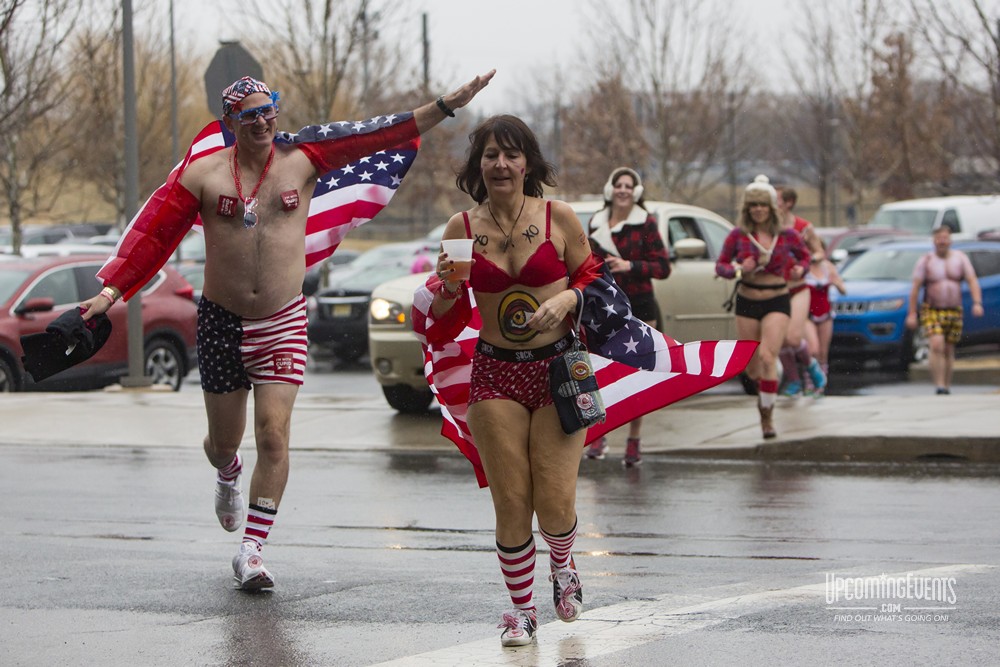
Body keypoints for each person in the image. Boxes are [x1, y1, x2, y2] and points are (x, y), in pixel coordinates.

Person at [78, 70, 495, 591]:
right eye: (250, 114)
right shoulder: (203, 175)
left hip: (282, 318)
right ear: (231, 121)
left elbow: (377, 134)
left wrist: (444, 106)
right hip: (222, 323)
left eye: (268, 110)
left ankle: (252, 550)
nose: (263, 121)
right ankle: (227, 470)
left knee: (273, 435)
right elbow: (155, 237)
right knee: (223, 441)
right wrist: (110, 293)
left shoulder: (304, 158)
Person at [417, 116, 756, 648]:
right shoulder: (461, 228)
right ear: (477, 165)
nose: (500, 164)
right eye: (490, 155)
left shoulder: (559, 218)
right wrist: (445, 288)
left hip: (560, 370)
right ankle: (522, 611)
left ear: (528, 162)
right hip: (494, 372)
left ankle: (563, 560)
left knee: (553, 501)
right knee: (511, 499)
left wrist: (568, 298)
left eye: (511, 154)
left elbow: (599, 281)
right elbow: (446, 316)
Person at [584, 167, 670, 466]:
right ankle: (599, 431)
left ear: (636, 191)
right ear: (610, 189)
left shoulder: (644, 224)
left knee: (637, 373)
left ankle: (634, 440)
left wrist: (629, 266)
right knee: (599, 370)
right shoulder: (596, 222)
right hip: (605, 305)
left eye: (628, 186)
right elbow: (586, 262)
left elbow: (663, 267)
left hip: (641, 304)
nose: (623, 190)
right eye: (618, 184)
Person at [716, 175, 811, 438]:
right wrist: (738, 268)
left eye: (763, 205)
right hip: (747, 300)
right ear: (747, 209)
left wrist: (799, 270)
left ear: (772, 208)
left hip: (777, 299)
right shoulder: (738, 236)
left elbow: (805, 258)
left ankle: (766, 416)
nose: (758, 210)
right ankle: (766, 394)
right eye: (753, 205)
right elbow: (721, 266)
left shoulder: (787, 236)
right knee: (753, 367)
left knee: (769, 356)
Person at [905, 225, 984, 394]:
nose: (942, 241)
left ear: (950, 240)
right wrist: (912, 313)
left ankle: (946, 385)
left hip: (955, 311)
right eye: (939, 238)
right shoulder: (926, 261)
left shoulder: (960, 259)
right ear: (934, 241)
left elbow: (972, 280)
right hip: (932, 310)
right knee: (936, 344)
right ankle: (939, 384)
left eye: (945, 238)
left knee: (949, 347)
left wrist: (977, 303)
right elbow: (915, 288)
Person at [775, 186, 827, 396]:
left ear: (788, 203)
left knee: (793, 338)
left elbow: (819, 252)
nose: (772, 203)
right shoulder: (768, 227)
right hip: (775, 289)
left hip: (797, 289)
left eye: (776, 199)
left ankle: (812, 367)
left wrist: (805, 263)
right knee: (779, 339)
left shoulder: (803, 227)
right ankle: (794, 380)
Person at [803, 242, 846, 395]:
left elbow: (843, 290)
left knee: (822, 352)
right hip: (807, 314)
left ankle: (820, 387)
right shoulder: (803, 266)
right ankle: (809, 383)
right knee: (812, 349)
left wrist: (836, 283)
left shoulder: (827, 267)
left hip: (825, 313)